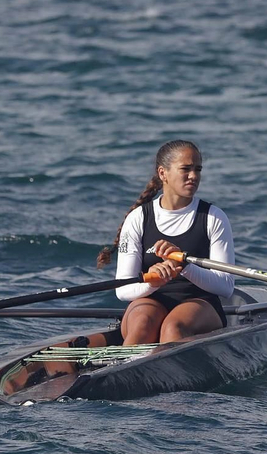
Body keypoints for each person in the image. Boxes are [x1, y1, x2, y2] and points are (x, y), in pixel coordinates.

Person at [96, 140, 235, 344]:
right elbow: (123, 290)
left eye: (198, 169)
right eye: (185, 169)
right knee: (142, 325)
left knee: (173, 327)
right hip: (150, 298)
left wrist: (184, 266)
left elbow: (225, 286)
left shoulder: (214, 217)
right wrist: (154, 281)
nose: (194, 176)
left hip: (200, 302)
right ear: (163, 173)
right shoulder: (138, 219)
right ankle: (122, 371)